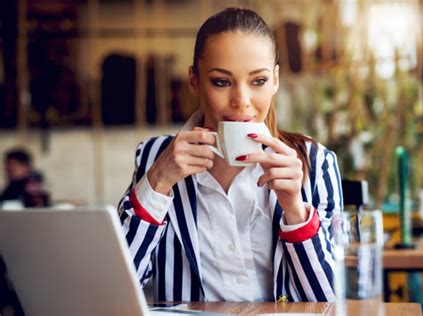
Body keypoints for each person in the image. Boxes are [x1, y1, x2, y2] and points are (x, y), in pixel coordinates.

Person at [118, 8, 342, 302]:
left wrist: (296, 211)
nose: (241, 101)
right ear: (194, 81)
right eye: (221, 82)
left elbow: (330, 300)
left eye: (258, 81)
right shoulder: (154, 158)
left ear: (275, 79)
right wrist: (158, 182)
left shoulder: (314, 161)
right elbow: (119, 288)